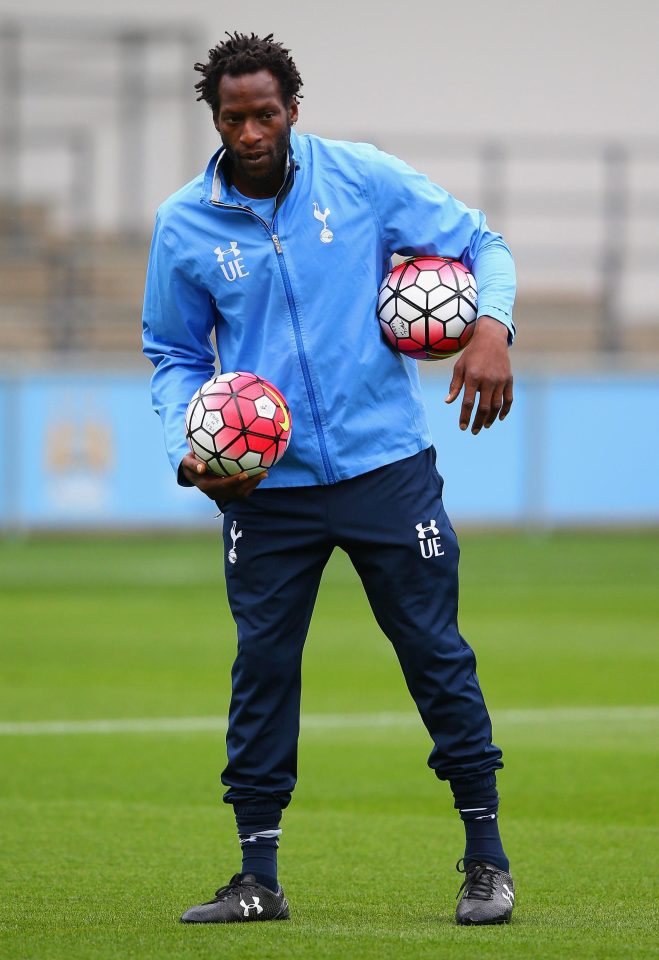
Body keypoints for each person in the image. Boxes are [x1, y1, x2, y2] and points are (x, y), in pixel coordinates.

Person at [143, 32, 517, 927]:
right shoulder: (183, 225)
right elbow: (171, 353)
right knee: (262, 668)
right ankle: (257, 878)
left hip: (386, 466)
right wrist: (188, 449)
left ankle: (486, 861)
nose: (251, 131)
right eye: (233, 117)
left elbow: (481, 242)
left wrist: (490, 325)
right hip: (263, 489)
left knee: (434, 655)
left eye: (265, 113)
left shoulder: (360, 178)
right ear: (215, 118)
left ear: (292, 110)